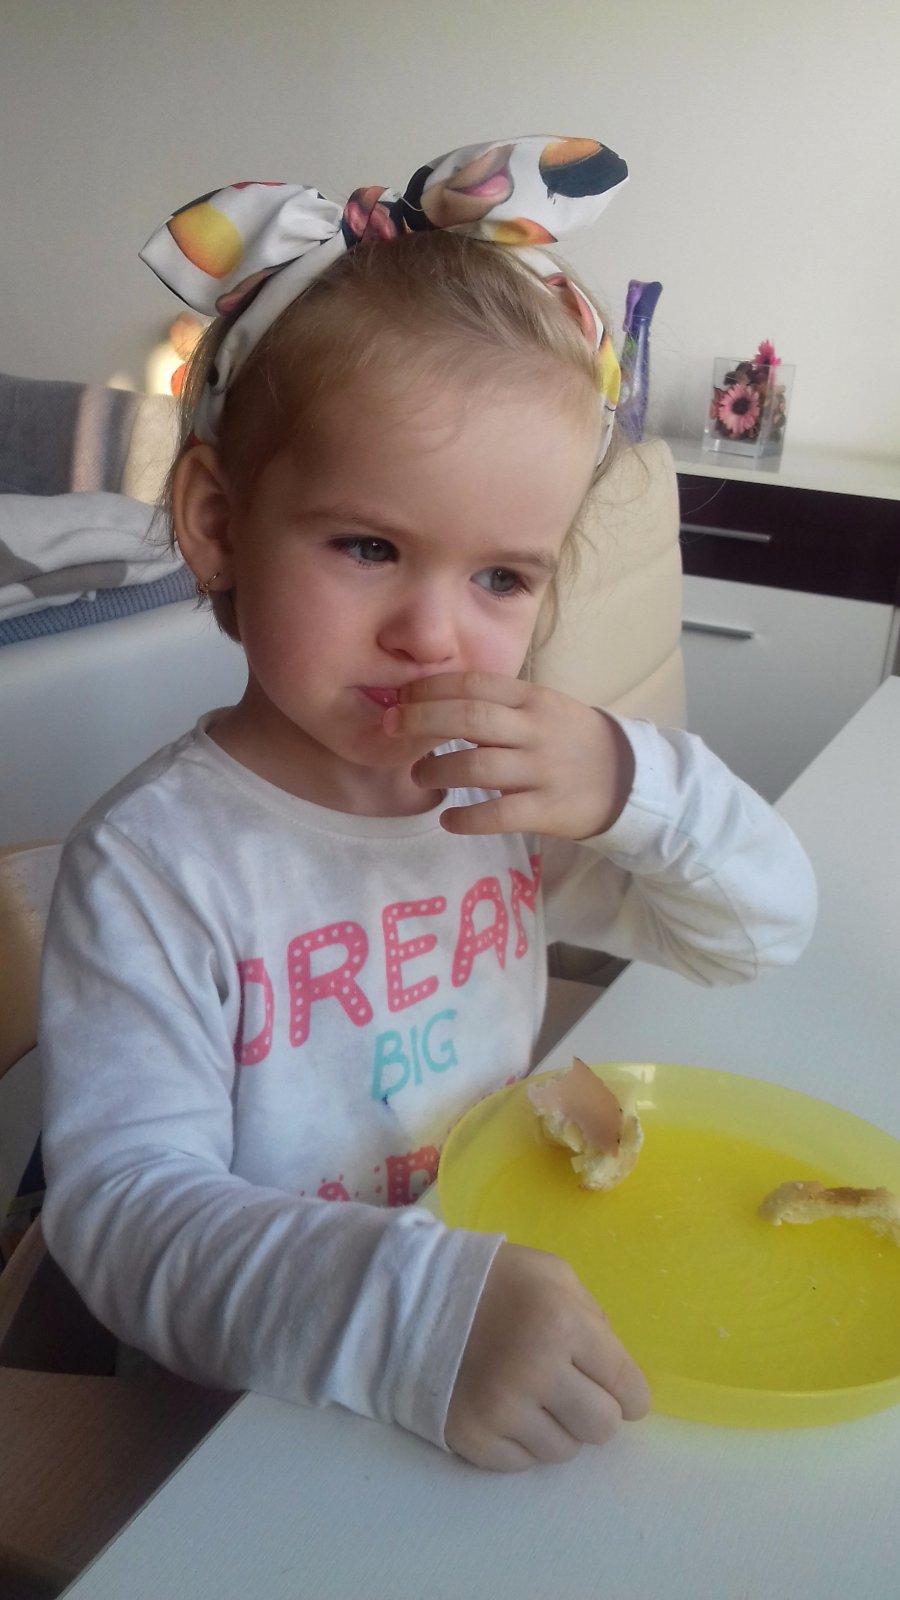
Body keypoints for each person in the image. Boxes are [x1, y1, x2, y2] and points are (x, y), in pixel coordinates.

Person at [38, 137, 817, 1474]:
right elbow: (122, 1217)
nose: (434, 635)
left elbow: (760, 932)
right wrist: (411, 1315)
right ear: (217, 524)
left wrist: (631, 784)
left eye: (502, 579)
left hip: (491, 1351)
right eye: (369, 546)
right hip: (261, 1425)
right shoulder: (159, 861)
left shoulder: (498, 796)